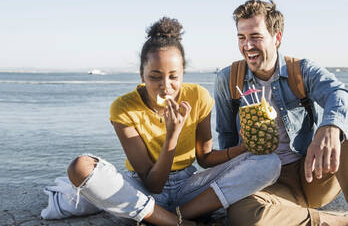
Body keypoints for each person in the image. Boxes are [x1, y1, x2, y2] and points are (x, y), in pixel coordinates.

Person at [67, 17, 280, 226]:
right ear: (142, 75)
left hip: (187, 188)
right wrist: (172, 134)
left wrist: (243, 149)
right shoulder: (124, 108)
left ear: (182, 75)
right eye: (155, 76)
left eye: (173, 76)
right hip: (143, 191)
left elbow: (204, 158)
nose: (165, 86)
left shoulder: (198, 97)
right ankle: (176, 222)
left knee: (269, 163)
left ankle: (170, 217)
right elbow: (154, 184)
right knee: (81, 167)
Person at [214, 0, 348, 226]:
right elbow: (226, 139)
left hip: (310, 174)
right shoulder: (228, 79)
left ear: (276, 38)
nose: (247, 46)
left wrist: (330, 128)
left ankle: (292, 217)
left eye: (255, 37)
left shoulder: (302, 70)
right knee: (242, 213)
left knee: (344, 135)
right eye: (241, 38)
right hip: (266, 184)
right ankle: (334, 221)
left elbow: (339, 92)